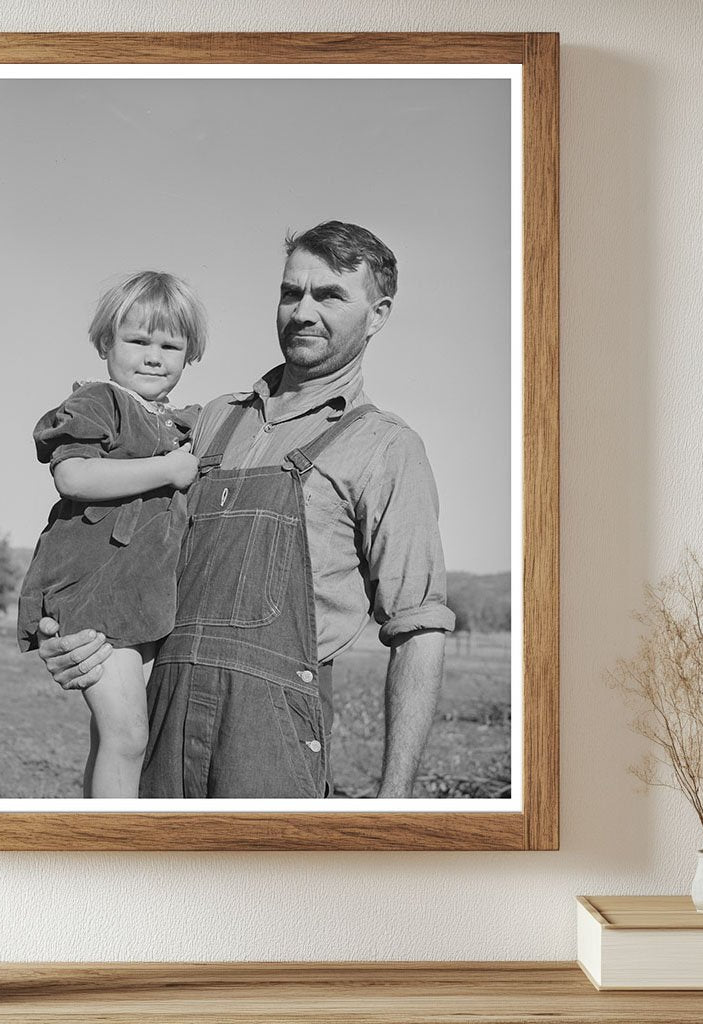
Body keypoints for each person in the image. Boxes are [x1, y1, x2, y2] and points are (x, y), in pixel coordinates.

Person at [37, 222, 454, 798]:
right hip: (166, 713)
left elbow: (420, 626)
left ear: (378, 314)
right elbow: (123, 545)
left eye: (330, 295)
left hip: (274, 732)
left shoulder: (386, 446)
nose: (303, 311)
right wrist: (81, 641)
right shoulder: (205, 422)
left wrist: (395, 798)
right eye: (291, 293)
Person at [16, 271, 205, 797]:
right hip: (95, 592)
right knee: (127, 738)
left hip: (139, 602)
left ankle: (96, 826)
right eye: (138, 340)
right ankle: (115, 847)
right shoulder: (101, 401)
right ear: (105, 343)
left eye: (170, 345)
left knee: (111, 736)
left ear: (188, 356)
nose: (153, 356)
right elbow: (73, 474)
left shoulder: (177, 423)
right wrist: (168, 470)